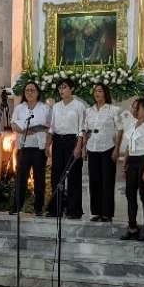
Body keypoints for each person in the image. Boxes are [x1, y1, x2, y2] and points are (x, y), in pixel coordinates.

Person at [46, 78, 86, 219]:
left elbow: (82, 128)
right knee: (56, 175)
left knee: (73, 176)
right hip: (58, 141)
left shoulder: (79, 106)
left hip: (72, 141)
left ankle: (73, 210)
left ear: (72, 89)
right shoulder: (56, 106)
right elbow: (52, 127)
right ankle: (56, 208)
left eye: (64, 87)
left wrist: (78, 147)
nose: (61, 90)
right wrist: (47, 145)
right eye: (60, 88)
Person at [84, 84, 123, 223]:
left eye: (100, 91)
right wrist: (84, 147)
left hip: (108, 147)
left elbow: (120, 129)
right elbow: (86, 130)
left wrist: (117, 148)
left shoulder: (114, 110)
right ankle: (96, 212)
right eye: (95, 91)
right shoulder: (89, 110)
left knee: (107, 181)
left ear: (105, 93)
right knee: (94, 181)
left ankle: (107, 213)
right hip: (92, 147)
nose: (97, 93)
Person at [10, 81, 50, 215]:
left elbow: (50, 126)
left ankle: (38, 208)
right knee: (21, 178)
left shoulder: (45, 108)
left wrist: (41, 130)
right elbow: (13, 125)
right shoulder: (19, 108)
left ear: (38, 92)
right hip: (24, 147)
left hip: (39, 148)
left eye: (32, 90)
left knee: (39, 179)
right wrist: (23, 130)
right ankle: (17, 206)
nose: (29, 93)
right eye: (27, 90)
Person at [120, 98, 144, 241]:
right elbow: (129, 146)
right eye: (134, 107)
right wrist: (124, 164)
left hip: (143, 160)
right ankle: (132, 227)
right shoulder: (132, 124)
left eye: (138, 108)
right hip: (132, 160)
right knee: (130, 195)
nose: (134, 110)